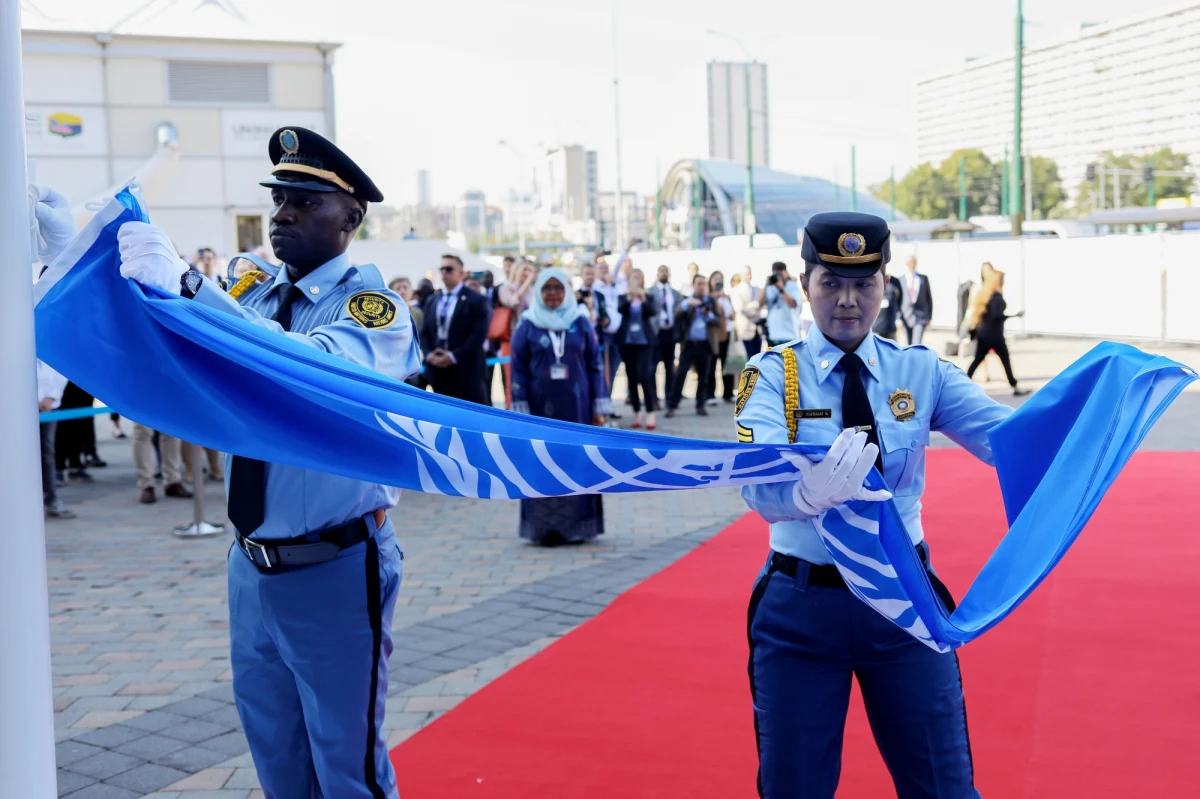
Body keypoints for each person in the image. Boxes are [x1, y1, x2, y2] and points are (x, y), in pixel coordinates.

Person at [114, 126, 419, 798]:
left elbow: (304, 367)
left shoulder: (375, 310)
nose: (283, 213)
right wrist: (89, 262)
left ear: (351, 218)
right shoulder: (247, 293)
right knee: (276, 753)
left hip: (334, 565)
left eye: (307, 202)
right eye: (280, 197)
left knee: (348, 765)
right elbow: (174, 352)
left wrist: (192, 286)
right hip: (251, 564)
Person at [737, 211, 1013, 799]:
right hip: (800, 610)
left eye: (863, 284)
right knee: (795, 787)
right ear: (805, 283)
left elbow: (1009, 441)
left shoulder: (920, 371)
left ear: (884, 285)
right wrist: (803, 496)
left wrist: (1094, 417)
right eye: (831, 283)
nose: (847, 301)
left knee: (943, 786)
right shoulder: (770, 376)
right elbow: (754, 483)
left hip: (903, 602)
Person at [510, 268, 611, 545]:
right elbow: (517, 369)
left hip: (578, 409)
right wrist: (520, 411)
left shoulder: (580, 321)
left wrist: (599, 406)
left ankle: (577, 527)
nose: (553, 293)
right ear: (539, 292)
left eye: (558, 288)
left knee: (576, 461)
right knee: (543, 461)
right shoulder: (527, 324)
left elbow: (594, 363)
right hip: (540, 409)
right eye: (547, 288)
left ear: (566, 290)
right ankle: (545, 529)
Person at [420, 254, 490, 404]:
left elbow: (478, 336)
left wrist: (453, 356)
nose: (444, 272)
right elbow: (424, 333)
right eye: (442, 269)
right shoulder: (433, 300)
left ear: (462, 273)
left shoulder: (476, 300)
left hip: (467, 372)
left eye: (449, 269)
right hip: (438, 373)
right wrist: (428, 355)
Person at [966, 266, 1029, 396]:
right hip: (994, 335)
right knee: (1005, 359)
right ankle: (1015, 386)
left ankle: (962, 382)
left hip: (984, 333)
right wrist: (1014, 316)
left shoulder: (986, 295)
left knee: (977, 360)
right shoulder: (997, 297)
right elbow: (996, 316)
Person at [666, 273, 719, 417]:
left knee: (704, 376)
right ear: (693, 285)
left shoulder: (711, 301)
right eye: (698, 284)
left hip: (705, 344)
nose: (701, 287)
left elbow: (718, 321)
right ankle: (672, 405)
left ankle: (700, 405)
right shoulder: (687, 300)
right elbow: (677, 315)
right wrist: (688, 305)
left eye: (703, 284)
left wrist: (707, 313)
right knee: (681, 374)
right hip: (688, 344)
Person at [616, 268, 659, 429]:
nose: (635, 281)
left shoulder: (648, 296)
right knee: (631, 377)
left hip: (644, 342)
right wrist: (629, 298)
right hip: (627, 342)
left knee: (644, 375)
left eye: (637, 278)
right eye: (632, 278)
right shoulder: (623, 297)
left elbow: (652, 312)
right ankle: (636, 411)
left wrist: (642, 298)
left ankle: (650, 411)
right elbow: (620, 310)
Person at [38, 360, 74, 519]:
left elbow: (62, 371)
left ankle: (51, 500)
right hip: (20, 406)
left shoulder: (48, 344)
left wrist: (51, 398)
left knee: (47, 453)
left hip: (48, 408)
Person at [652, 264, 683, 403]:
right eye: (661, 271)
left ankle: (669, 396)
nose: (664, 274)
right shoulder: (651, 292)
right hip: (656, 333)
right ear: (657, 274)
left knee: (669, 366)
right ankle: (653, 398)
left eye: (666, 271)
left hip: (670, 333)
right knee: (652, 366)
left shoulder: (674, 293)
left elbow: (678, 311)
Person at [705, 270, 736, 404]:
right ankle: (710, 394)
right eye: (715, 278)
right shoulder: (709, 297)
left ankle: (728, 393)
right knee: (711, 364)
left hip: (727, 332)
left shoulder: (726, 297)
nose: (718, 281)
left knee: (727, 363)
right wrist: (716, 296)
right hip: (714, 334)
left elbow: (732, 313)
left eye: (720, 278)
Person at [764, 261, 803, 346]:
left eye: (780, 273)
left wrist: (781, 289)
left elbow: (793, 304)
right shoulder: (770, 287)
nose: (778, 276)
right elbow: (760, 304)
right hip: (774, 335)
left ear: (785, 272)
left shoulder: (792, 286)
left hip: (790, 335)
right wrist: (766, 284)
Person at [900, 254, 933, 346]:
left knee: (916, 343)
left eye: (913, 262)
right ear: (906, 264)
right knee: (908, 344)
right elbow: (898, 301)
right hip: (906, 316)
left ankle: (915, 360)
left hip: (920, 317)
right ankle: (909, 360)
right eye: (909, 263)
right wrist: (897, 319)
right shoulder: (901, 280)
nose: (911, 264)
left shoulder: (923, 279)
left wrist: (929, 317)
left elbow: (929, 298)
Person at [732, 265, 764, 358]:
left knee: (757, 359)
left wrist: (750, 306)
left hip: (757, 330)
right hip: (744, 330)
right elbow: (741, 309)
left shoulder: (757, 289)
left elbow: (762, 305)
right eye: (746, 273)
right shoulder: (736, 291)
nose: (748, 276)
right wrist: (756, 306)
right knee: (747, 361)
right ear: (741, 275)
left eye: (749, 273)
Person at [873, 272, 903, 340]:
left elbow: (897, 303)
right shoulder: (872, 281)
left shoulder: (893, 283)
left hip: (889, 324)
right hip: (877, 325)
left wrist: (898, 319)